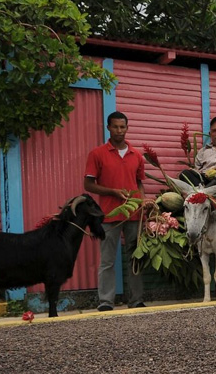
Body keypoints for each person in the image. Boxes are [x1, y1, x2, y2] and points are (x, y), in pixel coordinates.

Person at [84, 111, 148, 311]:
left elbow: (139, 183)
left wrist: (143, 202)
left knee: (135, 258)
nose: (119, 130)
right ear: (108, 128)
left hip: (134, 215)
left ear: (127, 128)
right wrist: (112, 191)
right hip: (108, 215)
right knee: (107, 260)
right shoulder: (97, 154)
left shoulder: (136, 155)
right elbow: (88, 184)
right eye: (115, 127)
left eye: (123, 127)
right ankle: (106, 301)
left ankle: (136, 300)